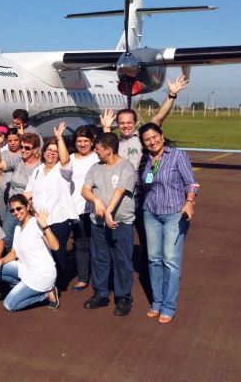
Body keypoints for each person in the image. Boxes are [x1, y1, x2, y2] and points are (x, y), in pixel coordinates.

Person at [139, 122, 199, 324]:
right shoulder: (146, 161)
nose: (152, 141)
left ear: (162, 136)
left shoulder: (177, 155)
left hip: (174, 213)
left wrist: (189, 202)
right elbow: (147, 186)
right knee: (154, 259)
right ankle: (156, 302)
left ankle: (168, 306)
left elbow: (191, 182)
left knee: (170, 261)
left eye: (155, 137)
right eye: (147, 139)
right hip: (151, 213)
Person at [81, 132, 138, 316]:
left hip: (120, 223)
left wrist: (108, 211)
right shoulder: (95, 168)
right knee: (100, 258)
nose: (95, 152)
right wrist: (96, 202)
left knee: (122, 260)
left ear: (109, 150)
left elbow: (120, 190)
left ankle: (123, 297)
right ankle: (101, 293)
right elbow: (85, 190)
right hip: (98, 223)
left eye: (97, 149)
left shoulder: (126, 167)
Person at [23, 122, 77, 291]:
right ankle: (46, 282)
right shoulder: (38, 170)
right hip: (40, 219)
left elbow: (66, 159)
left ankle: (59, 285)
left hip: (59, 218)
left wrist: (60, 138)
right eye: (49, 151)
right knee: (43, 253)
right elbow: (28, 192)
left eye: (55, 152)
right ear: (43, 153)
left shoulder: (63, 170)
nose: (52, 154)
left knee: (58, 252)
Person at [99, 74, 188, 169]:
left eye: (129, 122)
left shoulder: (143, 137)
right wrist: (106, 127)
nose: (126, 126)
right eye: (122, 123)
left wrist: (172, 95)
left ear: (135, 122)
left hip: (139, 181)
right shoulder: (115, 142)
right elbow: (107, 147)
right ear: (118, 124)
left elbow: (159, 117)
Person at [0, 195, 61, 311]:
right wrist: (0, 261)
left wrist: (45, 226)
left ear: (28, 206)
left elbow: (55, 246)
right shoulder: (18, 228)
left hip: (42, 274)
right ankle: (23, 288)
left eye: (19, 208)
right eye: (12, 210)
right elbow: (13, 253)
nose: (16, 212)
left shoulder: (37, 223)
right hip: (26, 270)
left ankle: (46, 294)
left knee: (9, 305)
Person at [0, 132, 41, 246]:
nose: (23, 150)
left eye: (27, 148)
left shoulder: (40, 166)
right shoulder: (18, 160)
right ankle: (12, 260)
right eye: (22, 147)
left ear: (35, 149)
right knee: (7, 237)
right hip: (13, 208)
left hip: (30, 209)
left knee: (29, 239)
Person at [68, 125, 99, 292]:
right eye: (79, 141)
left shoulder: (96, 157)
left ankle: (98, 277)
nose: (82, 144)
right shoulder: (70, 158)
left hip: (94, 207)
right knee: (80, 244)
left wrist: (107, 128)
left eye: (86, 140)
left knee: (96, 243)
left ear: (92, 141)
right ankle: (82, 278)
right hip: (76, 207)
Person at [0, 127, 21, 236]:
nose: (13, 143)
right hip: (2, 194)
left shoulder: (25, 153)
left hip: (18, 195)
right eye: (10, 140)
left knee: (16, 224)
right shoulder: (4, 153)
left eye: (15, 140)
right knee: (4, 221)